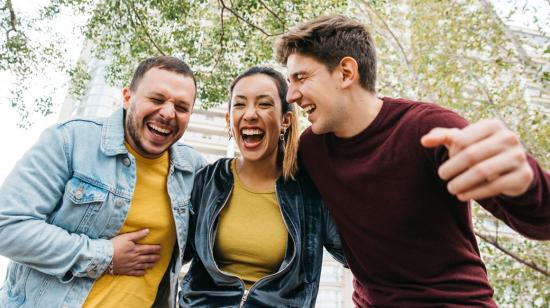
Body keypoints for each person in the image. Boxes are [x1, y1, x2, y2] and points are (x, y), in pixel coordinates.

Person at [275, 15, 550, 307]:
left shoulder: (430, 129)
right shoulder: (312, 149)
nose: (292, 94)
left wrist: (527, 181)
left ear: (345, 73)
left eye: (301, 78)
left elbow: (543, 220)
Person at [0, 56, 206, 307]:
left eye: (182, 107)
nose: (167, 113)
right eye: (156, 99)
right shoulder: (70, 140)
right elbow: (8, 226)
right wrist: (105, 256)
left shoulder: (194, 170)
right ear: (128, 97)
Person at [179, 66, 345, 307]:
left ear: (285, 120)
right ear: (229, 120)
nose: (250, 114)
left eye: (264, 104)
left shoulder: (310, 194)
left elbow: (362, 257)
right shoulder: (207, 181)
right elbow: (169, 253)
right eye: (239, 104)